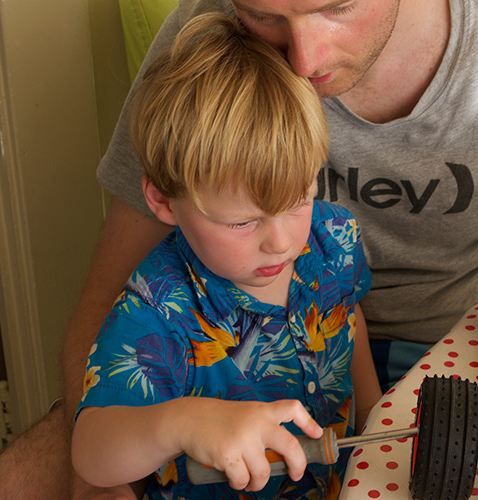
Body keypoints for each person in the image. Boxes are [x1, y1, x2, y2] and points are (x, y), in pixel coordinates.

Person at [0, 0, 478, 499]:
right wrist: (125, 465)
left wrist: (373, 416)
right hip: (201, 367)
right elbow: (107, 297)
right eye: (265, 13)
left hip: (452, 347)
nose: (301, 56)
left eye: (335, 2)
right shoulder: (203, 48)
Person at [72, 11, 380, 500]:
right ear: (163, 201)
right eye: (242, 222)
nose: (281, 242)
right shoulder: (156, 311)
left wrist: (375, 418)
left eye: (298, 199)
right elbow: (90, 454)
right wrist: (180, 422)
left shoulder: (333, 237)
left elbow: (348, 319)